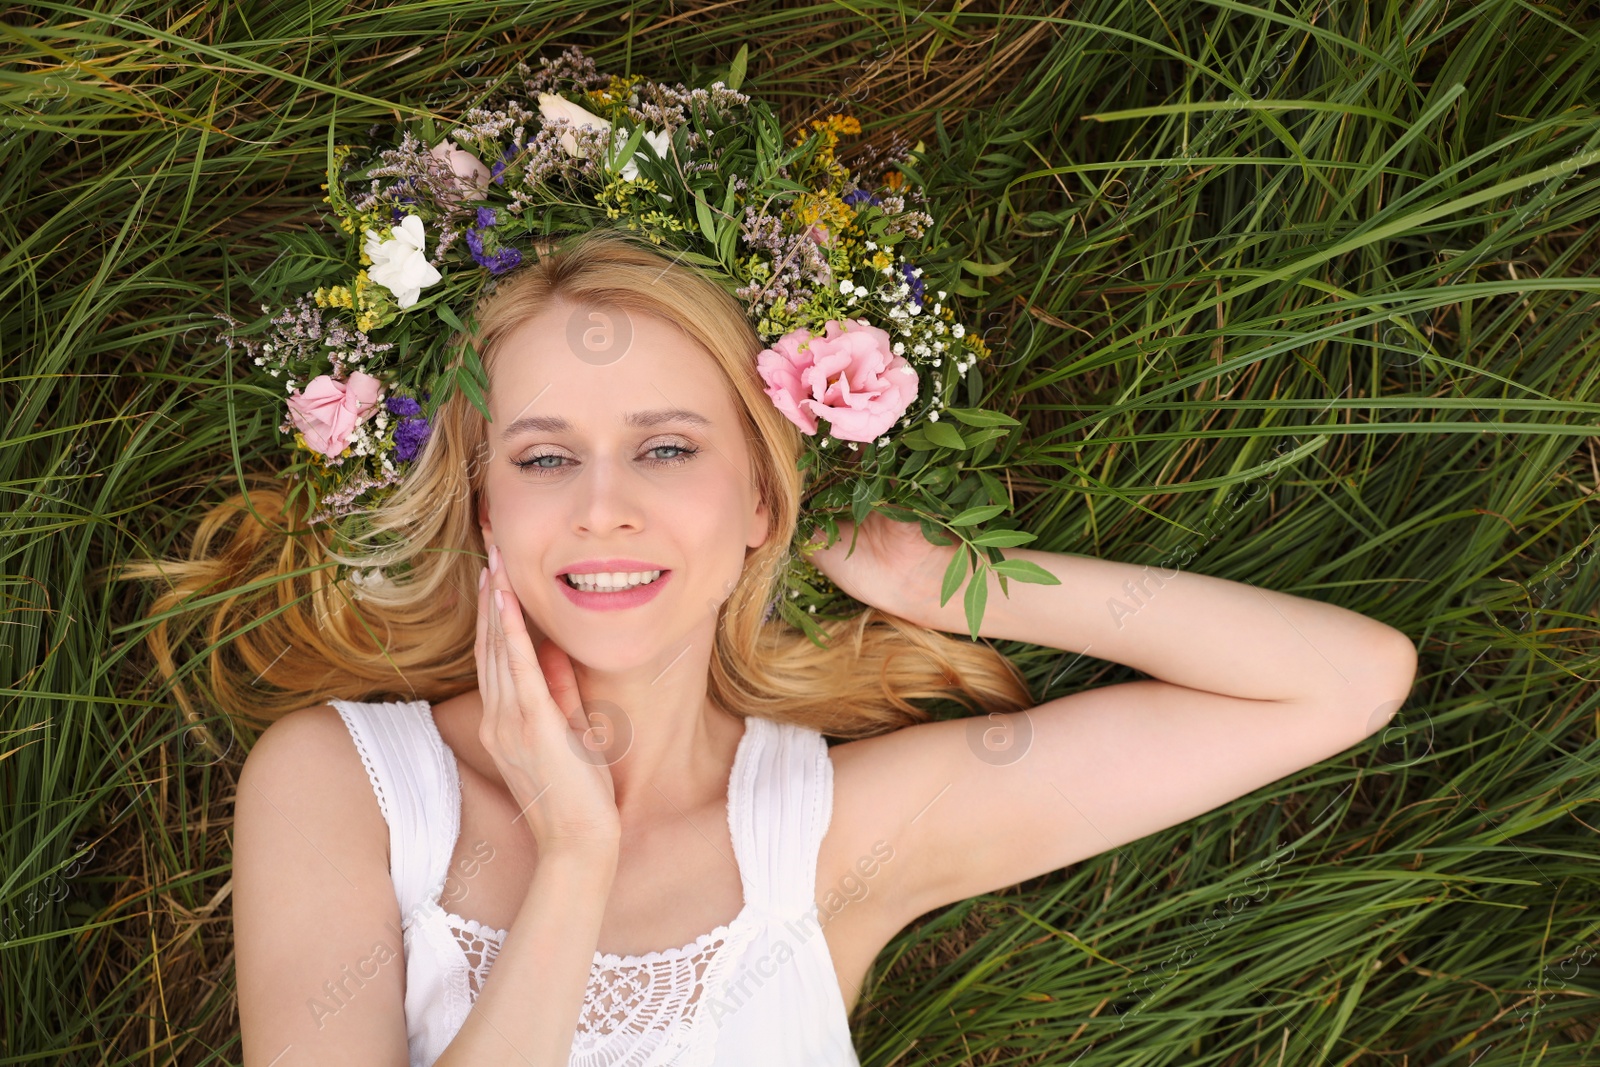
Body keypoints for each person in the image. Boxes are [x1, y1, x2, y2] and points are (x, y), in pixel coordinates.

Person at [153, 229, 1416, 1065]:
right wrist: (575, 856)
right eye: (544, 457)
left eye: (667, 447)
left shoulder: (827, 837)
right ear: (485, 504)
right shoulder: (344, 785)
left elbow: (1343, 678)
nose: (604, 505)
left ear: (763, 500)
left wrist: (947, 581)